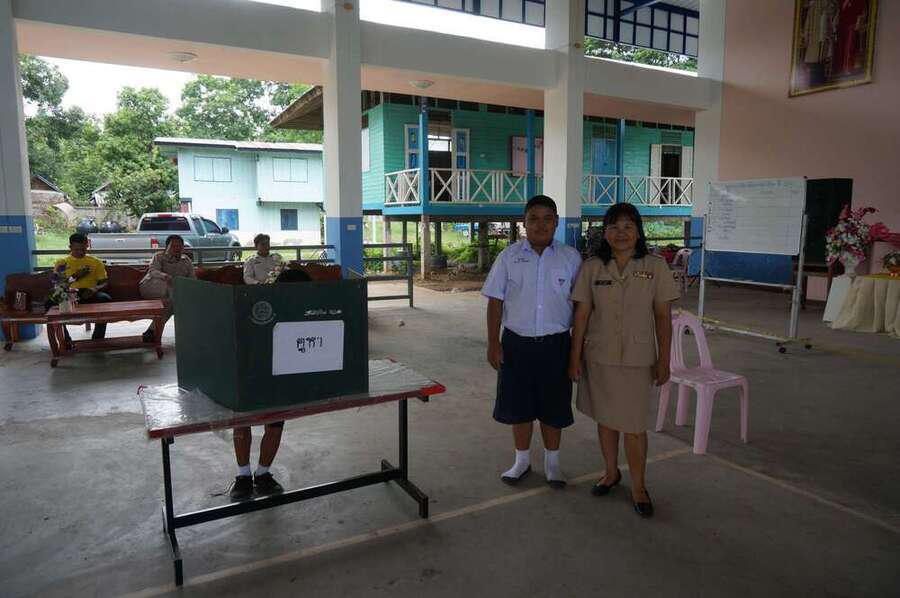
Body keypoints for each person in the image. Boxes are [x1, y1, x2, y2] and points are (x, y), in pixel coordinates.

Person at [568, 202, 679, 518]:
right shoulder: (592, 267)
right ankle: (610, 472)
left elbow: (663, 317)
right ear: (605, 233)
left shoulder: (655, 267)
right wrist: (574, 358)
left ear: (639, 232)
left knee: (633, 426)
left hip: (637, 358)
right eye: (614, 227)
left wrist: (665, 360)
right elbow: (582, 316)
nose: (621, 233)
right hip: (599, 356)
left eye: (628, 227)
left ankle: (639, 486)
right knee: (605, 419)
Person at [481, 195, 582, 488]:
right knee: (519, 406)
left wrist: (576, 353)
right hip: (516, 345)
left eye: (547, 218)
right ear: (524, 223)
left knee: (554, 407)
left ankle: (553, 464)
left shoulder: (571, 258)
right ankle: (521, 461)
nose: (540, 225)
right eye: (533, 219)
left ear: (556, 222)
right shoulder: (508, 257)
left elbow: (581, 308)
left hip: (556, 346)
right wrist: (493, 343)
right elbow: (495, 302)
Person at [228, 266, 308, 501]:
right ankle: (243, 476)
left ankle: (263, 474)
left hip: (279, 378)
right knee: (242, 423)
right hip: (248, 374)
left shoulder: (302, 309)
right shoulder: (257, 304)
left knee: (274, 425)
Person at [51, 233, 111, 342]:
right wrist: (75, 276)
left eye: (83, 249)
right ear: (70, 247)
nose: (80, 252)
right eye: (77, 249)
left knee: (105, 298)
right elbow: (58, 284)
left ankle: (98, 339)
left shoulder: (95, 262)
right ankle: (65, 339)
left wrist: (95, 289)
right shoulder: (62, 263)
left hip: (88, 293)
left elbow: (104, 282)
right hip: (68, 294)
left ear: (87, 246)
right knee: (49, 303)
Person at [138, 234, 196, 342]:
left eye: (179, 246)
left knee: (172, 304)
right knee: (175, 298)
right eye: (173, 246)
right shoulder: (159, 256)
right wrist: (165, 276)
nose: (177, 248)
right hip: (152, 286)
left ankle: (151, 331)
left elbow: (192, 278)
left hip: (173, 293)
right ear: (167, 247)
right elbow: (153, 271)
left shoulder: (186, 260)